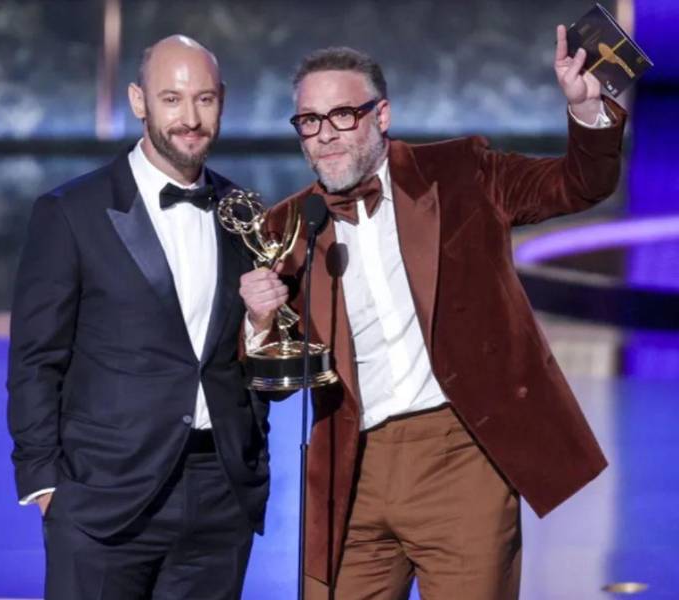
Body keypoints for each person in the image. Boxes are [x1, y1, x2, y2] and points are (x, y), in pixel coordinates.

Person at [240, 25, 625, 600]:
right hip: (351, 470)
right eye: (310, 122)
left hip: (459, 456)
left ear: (382, 115)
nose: (326, 136)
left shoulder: (462, 174)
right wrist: (258, 323)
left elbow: (578, 185)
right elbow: (271, 381)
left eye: (343, 115)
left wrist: (587, 109)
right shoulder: (286, 227)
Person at [7, 35, 268, 600]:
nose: (190, 118)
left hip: (219, 497)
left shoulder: (244, 212)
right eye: (171, 99)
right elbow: (35, 358)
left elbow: (245, 358)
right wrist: (44, 482)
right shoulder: (70, 212)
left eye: (204, 99)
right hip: (102, 498)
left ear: (222, 101)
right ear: (138, 101)